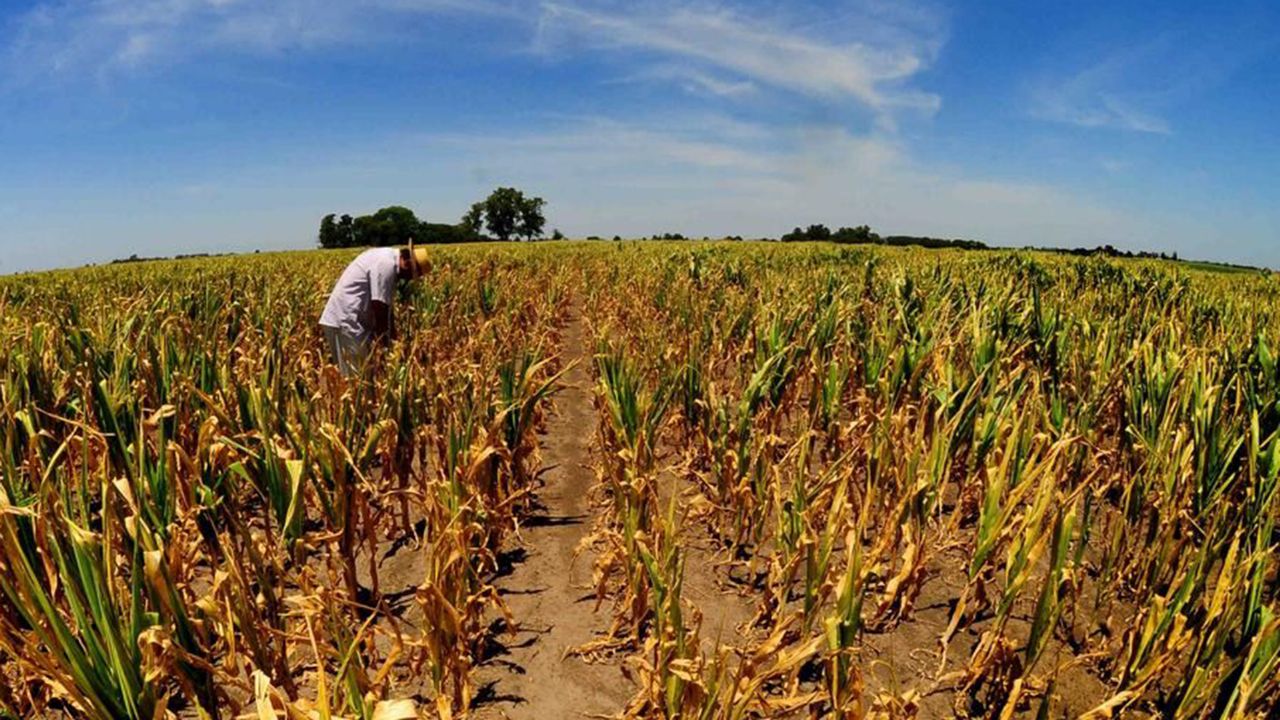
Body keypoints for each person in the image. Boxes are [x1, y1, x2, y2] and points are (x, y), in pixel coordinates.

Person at [319, 242, 429, 376]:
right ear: (407, 263)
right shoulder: (386, 265)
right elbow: (380, 307)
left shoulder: (385, 257)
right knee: (357, 377)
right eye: (410, 275)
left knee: (356, 374)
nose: (407, 280)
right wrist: (387, 345)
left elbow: (386, 309)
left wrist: (392, 338)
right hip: (347, 322)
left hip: (345, 320)